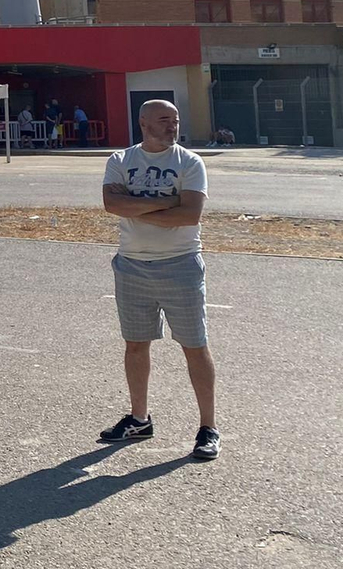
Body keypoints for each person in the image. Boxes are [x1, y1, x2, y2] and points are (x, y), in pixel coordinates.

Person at [98, 99, 218, 461]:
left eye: (176, 121)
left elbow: (190, 215)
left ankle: (208, 427)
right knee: (136, 345)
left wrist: (135, 203)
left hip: (180, 264)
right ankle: (139, 419)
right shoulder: (120, 161)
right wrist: (166, 206)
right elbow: (111, 205)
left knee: (194, 345)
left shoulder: (189, 162)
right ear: (144, 123)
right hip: (132, 266)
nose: (172, 127)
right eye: (164, 120)